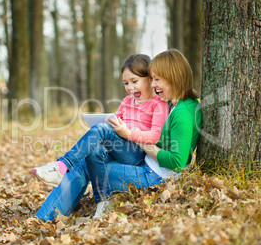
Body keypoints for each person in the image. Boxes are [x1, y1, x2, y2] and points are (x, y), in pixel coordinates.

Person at [35, 49, 202, 221]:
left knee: (89, 164)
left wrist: (138, 140)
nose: (153, 85)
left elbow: (177, 162)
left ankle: (55, 201)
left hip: (154, 176)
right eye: (152, 79)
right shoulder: (175, 103)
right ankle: (51, 212)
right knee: (91, 155)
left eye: (157, 79)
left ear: (173, 77)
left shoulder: (182, 112)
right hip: (146, 164)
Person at [31, 54, 170, 200]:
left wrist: (129, 133)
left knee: (102, 130)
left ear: (149, 79)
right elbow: (116, 123)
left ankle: (61, 167)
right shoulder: (127, 101)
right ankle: (102, 201)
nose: (130, 87)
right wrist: (113, 125)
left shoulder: (157, 103)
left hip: (137, 153)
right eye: (126, 83)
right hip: (120, 148)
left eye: (134, 81)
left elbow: (155, 135)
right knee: (95, 149)